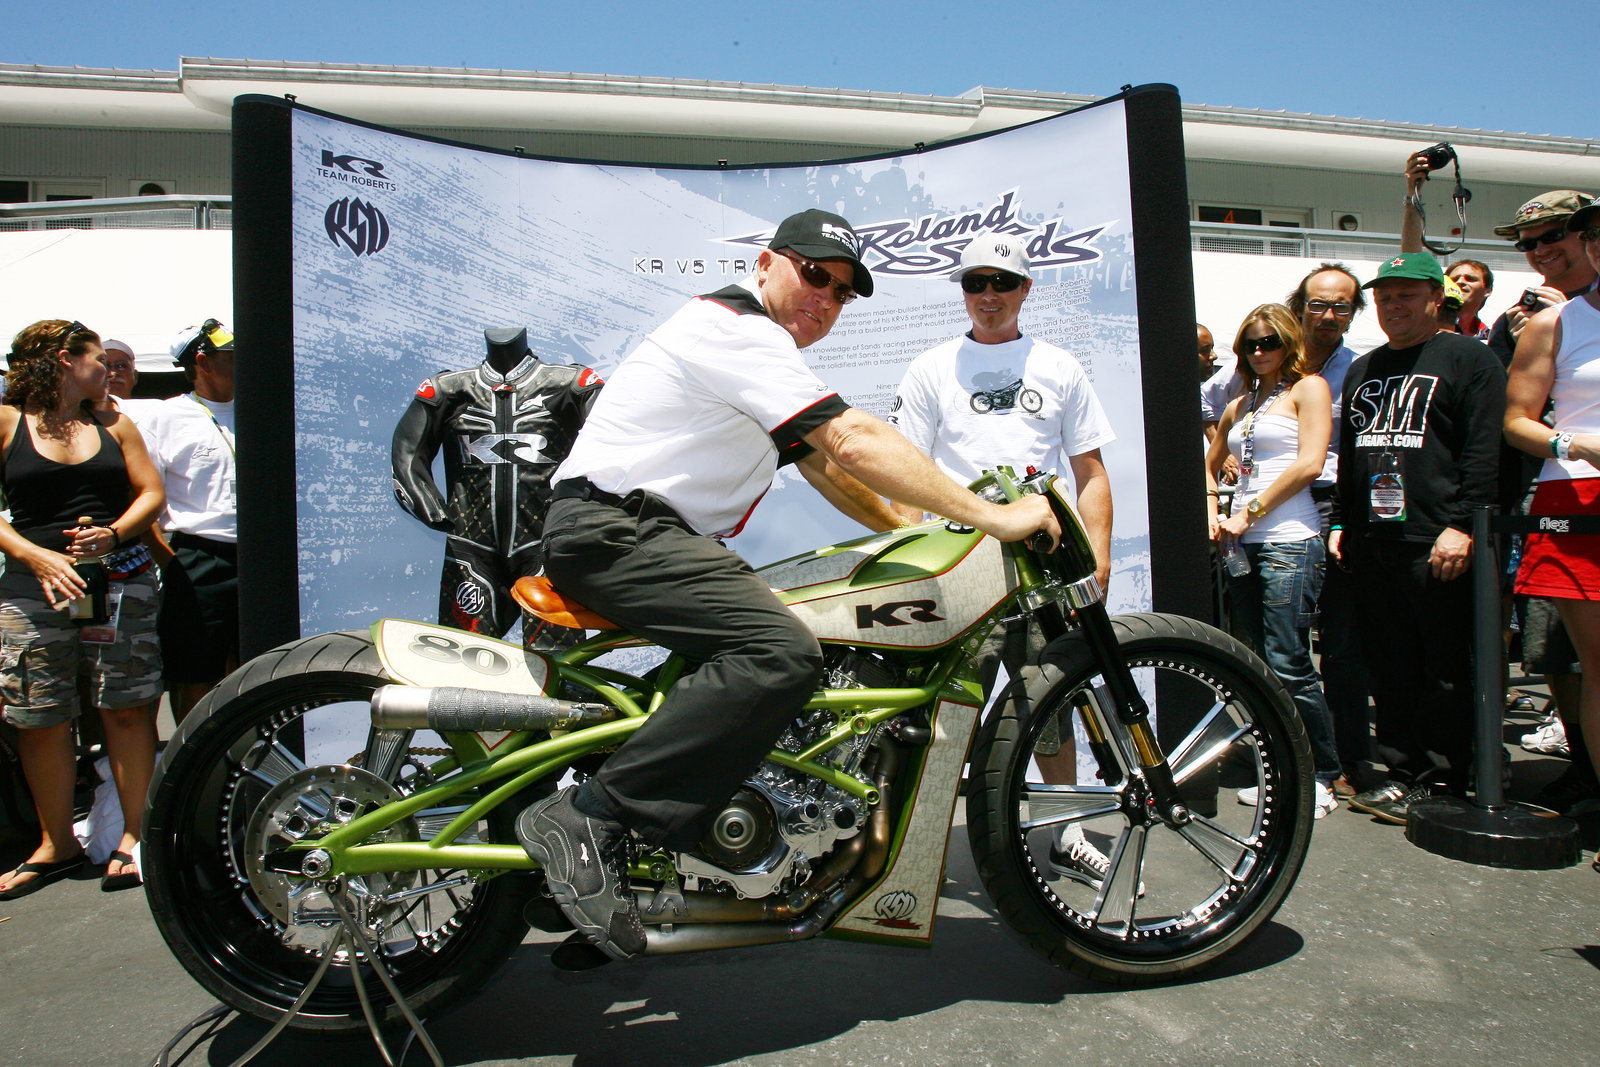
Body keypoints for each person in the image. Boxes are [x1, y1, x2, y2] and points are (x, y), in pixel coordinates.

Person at [517, 209, 1060, 960]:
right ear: (769, 262)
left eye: (842, 292)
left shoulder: (756, 353)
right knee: (779, 652)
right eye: (815, 275)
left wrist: (915, 528)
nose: (826, 298)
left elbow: (825, 466)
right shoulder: (739, 330)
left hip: (646, 534)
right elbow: (851, 441)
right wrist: (990, 518)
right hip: (618, 530)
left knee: (770, 658)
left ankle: (642, 872)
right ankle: (590, 820)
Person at [887, 233, 1115, 883]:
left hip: (1045, 566)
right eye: (975, 282)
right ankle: (918, 850)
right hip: (962, 565)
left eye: (1003, 282)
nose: (988, 295)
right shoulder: (931, 367)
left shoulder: (1060, 366)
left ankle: (1066, 830)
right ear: (963, 290)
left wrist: (1097, 560)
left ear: (1025, 289)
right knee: (946, 709)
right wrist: (911, 567)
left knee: (1052, 703)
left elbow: (1091, 472)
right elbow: (906, 477)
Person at [1333, 254, 1506, 823]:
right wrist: (1341, 522)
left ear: (1437, 298)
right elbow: (1351, 453)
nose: (1393, 306)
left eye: (1406, 295)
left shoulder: (1469, 358)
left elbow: (1484, 450)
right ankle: (1404, 773)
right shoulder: (1365, 367)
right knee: (1390, 664)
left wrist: (1465, 524)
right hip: (1373, 537)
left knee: (1446, 667)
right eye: (1384, 297)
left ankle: (1449, 777)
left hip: (1439, 537)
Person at [0, 320, 165, 897]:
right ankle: (56, 844)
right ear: (66, 360)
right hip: (34, 588)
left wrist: (114, 534)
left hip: (118, 582)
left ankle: (136, 836)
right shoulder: (7, 422)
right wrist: (34, 556)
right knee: (40, 715)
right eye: (98, 357)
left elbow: (151, 493)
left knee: (127, 707)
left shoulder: (115, 423)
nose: (109, 368)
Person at [1205, 305, 1339, 818]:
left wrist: (1248, 513)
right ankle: (1281, 768)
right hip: (1242, 544)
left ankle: (1321, 774)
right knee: (1257, 662)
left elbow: (1310, 464)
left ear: (1288, 342)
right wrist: (1215, 513)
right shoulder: (1242, 403)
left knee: (1289, 661)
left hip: (1289, 538)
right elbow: (1208, 465)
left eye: (1269, 342)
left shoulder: (1309, 389)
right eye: (1250, 344)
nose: (1259, 352)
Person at [391, 326, 603, 650]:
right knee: (461, 659)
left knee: (556, 661)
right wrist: (426, 502)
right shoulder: (447, 390)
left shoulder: (571, 385)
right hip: (471, 549)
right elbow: (407, 453)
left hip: (547, 548)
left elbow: (616, 442)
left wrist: (596, 509)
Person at [1504, 202, 1600, 834]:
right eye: (1528, 242)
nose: (1540, 249)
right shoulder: (1554, 323)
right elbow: (1516, 421)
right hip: (1578, 500)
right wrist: (1575, 444)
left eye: (1553, 236)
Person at [1284, 263, 1367, 793]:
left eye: (1341, 306)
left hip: (1334, 503)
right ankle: (1287, 753)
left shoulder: (1359, 369)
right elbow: (1209, 401)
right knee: (1281, 642)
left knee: (1341, 641)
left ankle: (1348, 760)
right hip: (1275, 508)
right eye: (1318, 304)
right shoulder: (1271, 359)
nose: (1329, 315)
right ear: (1300, 308)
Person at [136, 319, 238, 721]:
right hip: (199, 555)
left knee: (261, 663)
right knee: (196, 671)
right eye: (230, 355)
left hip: (264, 554)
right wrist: (170, 561)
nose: (242, 360)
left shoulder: (265, 406)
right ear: (202, 362)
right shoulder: (164, 418)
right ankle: (199, 755)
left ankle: (256, 752)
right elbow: (143, 496)